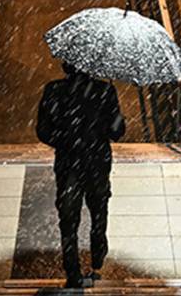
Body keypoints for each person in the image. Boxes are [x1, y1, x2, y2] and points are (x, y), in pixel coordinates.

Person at [37, 62, 125, 288]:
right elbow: (117, 132)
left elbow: (43, 131)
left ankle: (73, 270)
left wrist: (67, 140)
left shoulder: (53, 90)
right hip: (97, 163)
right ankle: (97, 257)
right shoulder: (105, 91)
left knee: (68, 218)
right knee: (98, 210)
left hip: (69, 164)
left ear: (66, 66)